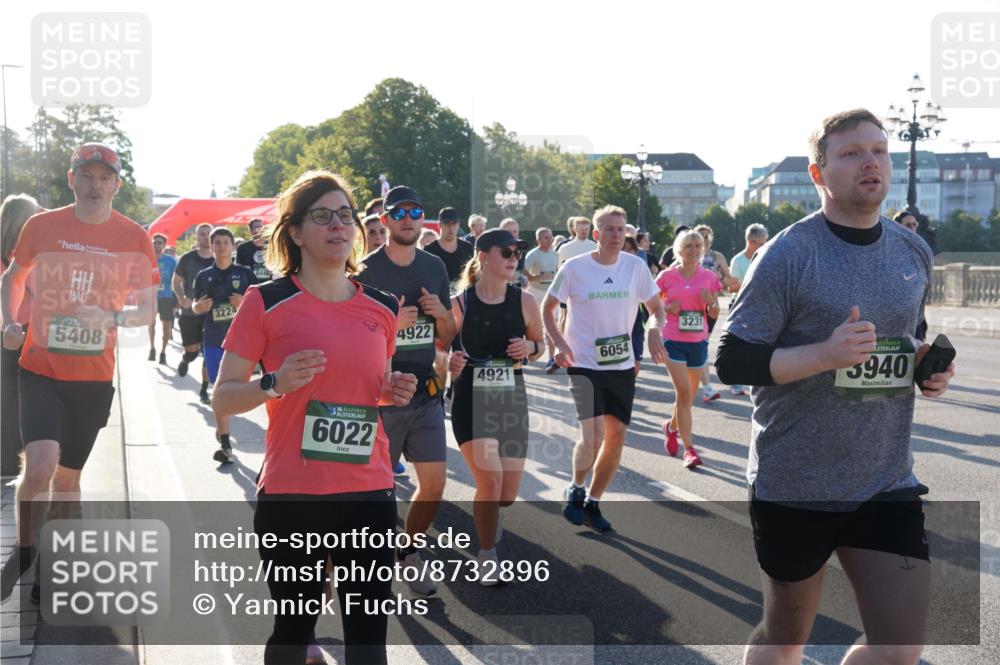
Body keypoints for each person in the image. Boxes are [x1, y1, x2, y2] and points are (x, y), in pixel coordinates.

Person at [714, 109, 955, 665]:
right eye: (850, 153)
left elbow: (905, 338)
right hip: (796, 480)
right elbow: (733, 360)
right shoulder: (787, 254)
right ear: (818, 173)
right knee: (785, 639)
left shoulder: (911, 250)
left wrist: (926, 369)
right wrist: (824, 354)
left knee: (900, 649)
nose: (870, 161)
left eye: (880, 149)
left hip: (884, 478)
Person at [212, 170, 416, 665]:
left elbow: (368, 390)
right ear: (296, 231)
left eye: (345, 215)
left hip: (369, 491)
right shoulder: (267, 301)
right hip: (294, 496)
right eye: (322, 216)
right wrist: (274, 383)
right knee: (293, 632)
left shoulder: (383, 307)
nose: (338, 225)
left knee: (369, 640)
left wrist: (391, 391)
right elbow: (223, 398)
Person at [0, 144, 157, 603]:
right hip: (40, 368)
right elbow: (13, 277)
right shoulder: (41, 226)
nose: (95, 185)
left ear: (116, 185)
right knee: (40, 466)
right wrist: (9, 322)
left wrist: (111, 320)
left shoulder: (134, 237)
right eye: (86, 176)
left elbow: (147, 311)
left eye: (104, 178)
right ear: (72, 180)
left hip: (92, 377)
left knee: (68, 479)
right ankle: (27, 549)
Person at [354, 185, 457, 596]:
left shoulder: (434, 268)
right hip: (377, 395)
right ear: (385, 221)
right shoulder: (363, 271)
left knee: (433, 485)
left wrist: (442, 313)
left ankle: (408, 551)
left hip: (425, 392)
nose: (408, 218)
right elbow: (349, 337)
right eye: (399, 213)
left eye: (415, 211)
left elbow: (447, 335)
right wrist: (389, 326)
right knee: (373, 495)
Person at [542, 205, 667, 532]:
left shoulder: (636, 267)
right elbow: (548, 306)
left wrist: (654, 328)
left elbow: (656, 307)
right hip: (582, 362)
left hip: (621, 365)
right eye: (609, 229)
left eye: (621, 229)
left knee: (616, 436)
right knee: (594, 434)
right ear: (596, 235)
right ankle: (576, 486)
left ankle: (594, 502)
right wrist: (557, 342)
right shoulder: (574, 268)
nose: (615, 235)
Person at [448, 228, 543, 582]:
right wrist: (448, 363)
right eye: (507, 253)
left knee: (506, 495)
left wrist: (528, 350)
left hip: (511, 400)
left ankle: (490, 521)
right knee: (490, 481)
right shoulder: (459, 304)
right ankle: (487, 555)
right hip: (471, 400)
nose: (514, 259)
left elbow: (540, 346)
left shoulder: (525, 301)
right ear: (483, 256)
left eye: (517, 253)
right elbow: (438, 349)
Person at [656, 229, 722, 469]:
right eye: (688, 246)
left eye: (697, 246)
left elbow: (714, 313)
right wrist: (666, 307)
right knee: (683, 394)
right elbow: (651, 304)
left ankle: (671, 427)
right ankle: (689, 450)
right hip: (673, 339)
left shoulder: (708, 277)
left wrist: (710, 302)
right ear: (679, 250)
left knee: (688, 397)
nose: (693, 250)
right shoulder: (666, 276)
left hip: (698, 341)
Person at [190, 227, 255, 463]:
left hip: (243, 341)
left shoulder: (245, 275)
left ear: (232, 246)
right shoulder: (203, 275)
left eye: (225, 242)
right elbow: (195, 306)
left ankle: (222, 428)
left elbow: (261, 306)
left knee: (237, 389)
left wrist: (243, 304)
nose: (221, 246)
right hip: (214, 337)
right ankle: (226, 443)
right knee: (220, 389)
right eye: (216, 243)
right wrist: (200, 308)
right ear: (211, 246)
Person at [0, 194, 42, 477]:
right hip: (23, 332)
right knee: (25, 400)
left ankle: (5, 463)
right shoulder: (25, 256)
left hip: (6, 332)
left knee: (6, 399)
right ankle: (14, 463)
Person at [173, 223, 215, 402]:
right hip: (190, 313)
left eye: (208, 234)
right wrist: (182, 298)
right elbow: (176, 281)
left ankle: (204, 390)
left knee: (208, 353)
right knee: (192, 351)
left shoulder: (220, 258)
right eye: (202, 234)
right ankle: (186, 359)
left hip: (213, 315)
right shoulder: (188, 259)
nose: (206, 237)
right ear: (197, 237)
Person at [693, 224, 735, 403]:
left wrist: (719, 278)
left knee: (700, 345)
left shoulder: (717, 256)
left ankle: (697, 382)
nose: (705, 239)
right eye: (701, 236)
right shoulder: (689, 255)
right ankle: (706, 387)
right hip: (691, 308)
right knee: (699, 345)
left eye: (707, 236)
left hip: (712, 307)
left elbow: (731, 281)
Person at [726, 223, 769, 397]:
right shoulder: (738, 260)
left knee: (759, 345)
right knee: (737, 345)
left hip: (761, 305)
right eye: (760, 242)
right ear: (750, 242)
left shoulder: (766, 256)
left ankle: (754, 379)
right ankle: (735, 382)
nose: (763, 246)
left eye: (765, 242)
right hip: (740, 305)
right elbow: (732, 288)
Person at [523, 227, 559, 367]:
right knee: (529, 324)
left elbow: (557, 272)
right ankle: (527, 354)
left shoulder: (555, 254)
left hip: (550, 292)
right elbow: (524, 273)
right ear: (538, 239)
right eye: (545, 237)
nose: (549, 239)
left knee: (552, 323)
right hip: (535, 292)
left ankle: (551, 357)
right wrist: (537, 277)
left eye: (550, 236)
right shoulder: (533, 254)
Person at [422, 207, 474, 293]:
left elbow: (473, 276)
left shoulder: (467, 248)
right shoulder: (430, 250)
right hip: (439, 299)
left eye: (454, 223)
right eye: (447, 224)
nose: (451, 227)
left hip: (463, 298)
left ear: (458, 225)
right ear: (440, 225)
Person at [622, 236, 650, 376]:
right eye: (624, 249)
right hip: (616, 323)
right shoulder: (607, 270)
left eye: (630, 249)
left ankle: (630, 384)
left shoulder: (639, 269)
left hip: (636, 319)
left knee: (636, 359)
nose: (627, 252)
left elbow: (653, 301)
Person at [149, 233, 178, 365]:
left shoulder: (171, 261)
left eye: (160, 242)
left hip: (166, 297)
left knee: (166, 327)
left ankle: (163, 352)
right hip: (151, 297)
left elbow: (177, 281)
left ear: (164, 245)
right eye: (155, 242)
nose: (157, 244)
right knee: (151, 324)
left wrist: (177, 300)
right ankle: (152, 348)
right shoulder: (147, 258)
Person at [236, 217, 273, 283]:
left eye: (261, 227)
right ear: (250, 230)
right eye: (256, 227)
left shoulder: (271, 246)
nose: (258, 230)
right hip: (249, 285)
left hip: (268, 285)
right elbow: (238, 269)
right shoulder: (242, 248)